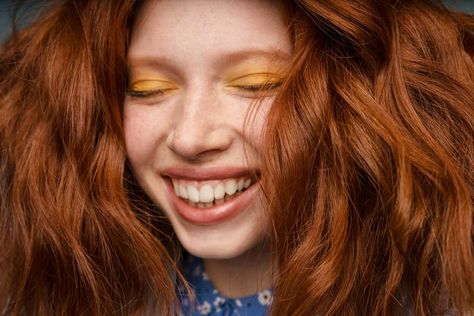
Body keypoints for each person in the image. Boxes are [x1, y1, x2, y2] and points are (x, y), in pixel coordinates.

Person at [0, 0, 473, 315]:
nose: (190, 136)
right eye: (149, 88)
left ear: (357, 100)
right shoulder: (83, 291)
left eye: (257, 83)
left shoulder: (443, 296)